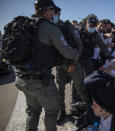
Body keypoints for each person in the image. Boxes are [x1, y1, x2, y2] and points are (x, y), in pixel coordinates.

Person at [15, 0, 77, 130]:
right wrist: (75, 51)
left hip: (22, 79)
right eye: (53, 11)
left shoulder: (25, 24)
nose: (54, 14)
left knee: (33, 111)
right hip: (40, 82)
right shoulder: (49, 27)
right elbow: (68, 53)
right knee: (52, 111)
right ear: (48, 10)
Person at [53, 6, 90, 124]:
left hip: (73, 64)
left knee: (81, 89)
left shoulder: (68, 27)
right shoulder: (51, 27)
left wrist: (74, 61)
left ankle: (90, 111)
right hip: (60, 66)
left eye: (53, 13)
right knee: (59, 91)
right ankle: (62, 112)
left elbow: (79, 46)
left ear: (58, 13)